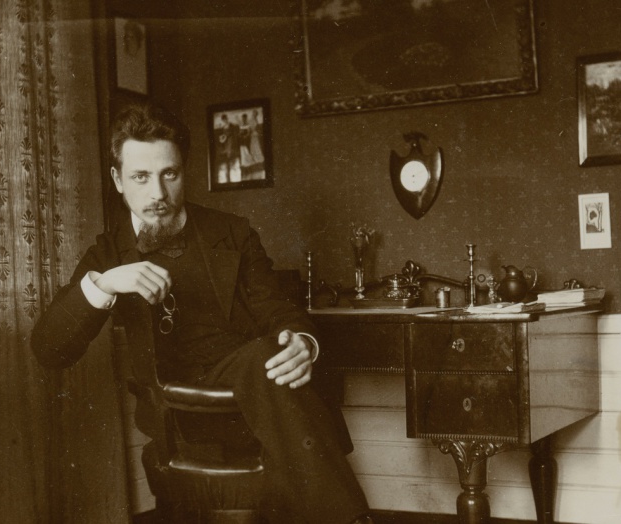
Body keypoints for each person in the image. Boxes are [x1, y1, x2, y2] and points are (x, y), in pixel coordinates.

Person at [31, 103, 372, 524]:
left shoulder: (232, 232)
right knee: (266, 364)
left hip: (257, 400)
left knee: (270, 355)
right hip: (181, 417)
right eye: (141, 177)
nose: (158, 193)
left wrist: (302, 343)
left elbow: (278, 308)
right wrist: (105, 283)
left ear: (184, 172)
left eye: (169, 174)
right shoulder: (108, 254)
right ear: (118, 180)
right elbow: (48, 350)